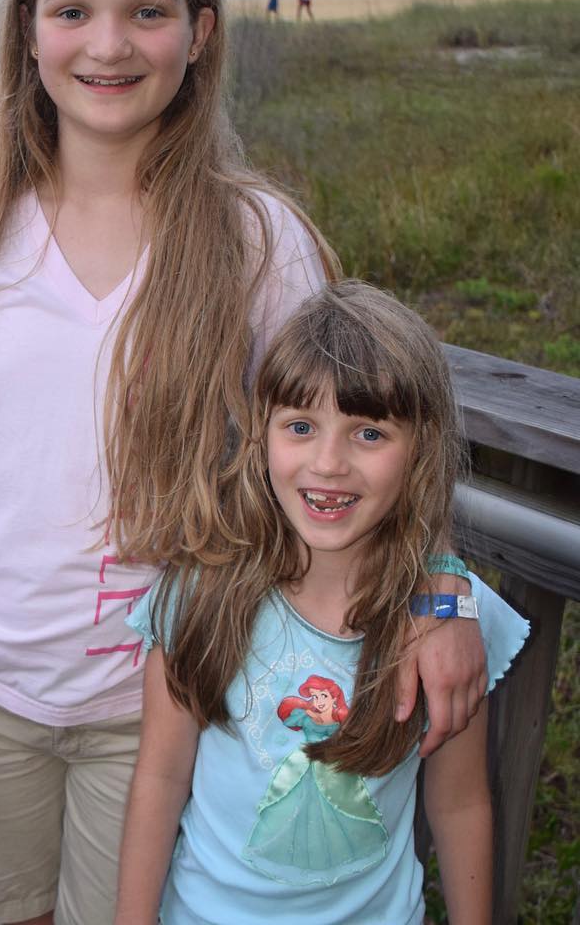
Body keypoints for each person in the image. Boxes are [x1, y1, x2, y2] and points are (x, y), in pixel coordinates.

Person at [0, 0, 486, 925]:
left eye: (147, 11)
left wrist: (444, 597)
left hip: (165, 698)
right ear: (28, 32)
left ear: (199, 33)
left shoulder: (258, 242)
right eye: (72, 11)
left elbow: (358, 448)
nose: (107, 44)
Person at [115, 281, 529, 925]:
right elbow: (160, 777)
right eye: (301, 427)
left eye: (368, 433)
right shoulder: (200, 594)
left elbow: (460, 804)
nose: (328, 463)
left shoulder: (447, 626)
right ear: (262, 436)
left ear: (420, 447)